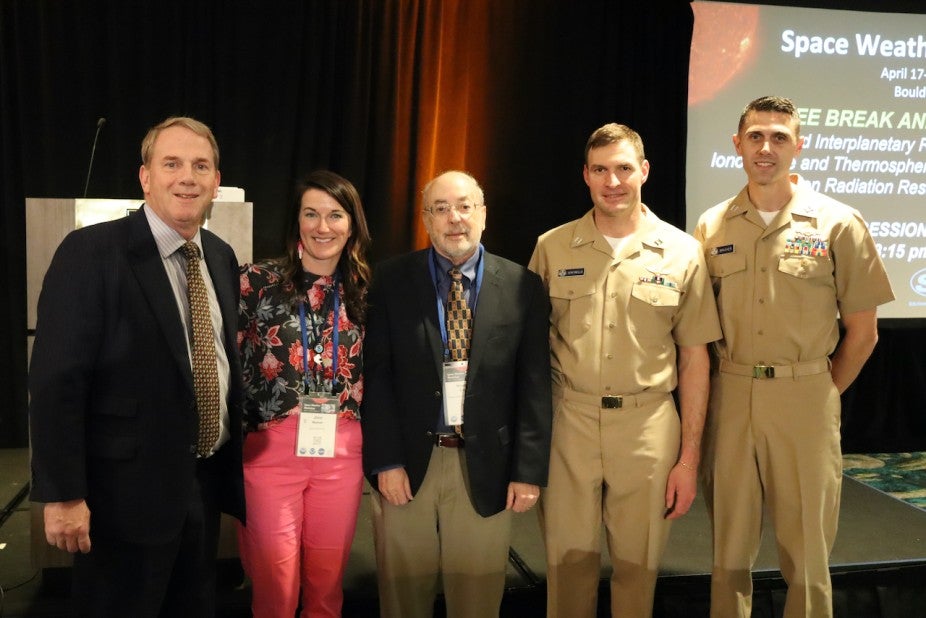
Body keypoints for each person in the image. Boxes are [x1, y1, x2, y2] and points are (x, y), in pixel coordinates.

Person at [28, 116, 245, 617]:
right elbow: (57, 381)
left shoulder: (220, 255)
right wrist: (63, 495)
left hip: (203, 485)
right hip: (119, 503)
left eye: (200, 165)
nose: (187, 177)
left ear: (216, 181)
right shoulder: (92, 253)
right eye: (171, 163)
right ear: (145, 176)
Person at [693, 96, 894, 618]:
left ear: (799, 146)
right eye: (755, 136)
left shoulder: (838, 223)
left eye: (779, 137)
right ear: (736, 145)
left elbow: (863, 332)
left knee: (806, 554)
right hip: (730, 393)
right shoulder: (711, 227)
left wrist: (820, 390)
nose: (766, 148)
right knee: (728, 552)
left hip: (805, 397)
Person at [529, 123, 721, 618]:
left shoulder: (683, 252)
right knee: (567, 568)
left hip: (648, 426)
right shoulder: (553, 248)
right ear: (586, 176)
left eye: (623, 168)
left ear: (645, 172)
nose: (612, 181)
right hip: (568, 420)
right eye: (600, 170)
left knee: (639, 571)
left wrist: (689, 457)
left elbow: (695, 357)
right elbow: (528, 350)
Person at [361, 170, 553, 617]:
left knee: (477, 600)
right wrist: (386, 461)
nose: (455, 219)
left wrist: (528, 470)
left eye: (465, 206)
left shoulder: (522, 285)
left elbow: (534, 385)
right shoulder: (390, 281)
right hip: (407, 466)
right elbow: (379, 378)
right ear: (426, 219)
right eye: (441, 208)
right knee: (403, 597)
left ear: (483, 214)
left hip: (486, 463)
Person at [237, 170, 372, 617]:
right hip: (270, 454)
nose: (322, 226)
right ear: (296, 220)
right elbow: (227, 364)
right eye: (311, 214)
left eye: (335, 215)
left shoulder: (367, 290)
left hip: (342, 451)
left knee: (327, 581)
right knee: (275, 580)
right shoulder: (255, 281)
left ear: (352, 224)